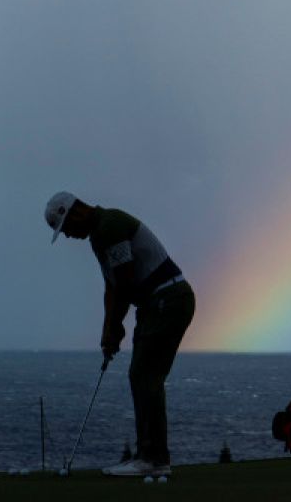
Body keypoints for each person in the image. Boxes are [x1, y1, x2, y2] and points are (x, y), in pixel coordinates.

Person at [45, 192, 195, 477]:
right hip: (157, 303)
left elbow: (124, 281)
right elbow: (112, 288)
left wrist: (116, 327)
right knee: (143, 375)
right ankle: (150, 456)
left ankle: (153, 458)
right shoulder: (98, 235)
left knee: (145, 375)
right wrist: (108, 331)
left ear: (74, 212)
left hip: (167, 298)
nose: (66, 236)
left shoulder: (110, 226)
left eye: (64, 228)